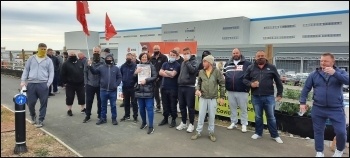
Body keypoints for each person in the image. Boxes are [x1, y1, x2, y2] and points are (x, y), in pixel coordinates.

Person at [299, 52, 349, 157]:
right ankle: (319, 152)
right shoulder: (314, 74)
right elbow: (306, 89)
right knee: (318, 131)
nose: (323, 63)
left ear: (332, 62)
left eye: (325, 61)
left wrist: (334, 73)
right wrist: (302, 103)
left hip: (336, 109)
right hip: (318, 108)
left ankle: (339, 151)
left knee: (341, 132)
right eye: (321, 60)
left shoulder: (340, 72)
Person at [242, 50, 284, 144]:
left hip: (269, 96)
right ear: (255, 57)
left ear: (266, 57)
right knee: (258, 116)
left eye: (262, 55)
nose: (260, 57)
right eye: (258, 56)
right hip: (256, 96)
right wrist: (251, 84)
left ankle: (275, 135)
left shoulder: (272, 67)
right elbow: (244, 79)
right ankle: (258, 133)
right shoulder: (251, 67)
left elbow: (278, 81)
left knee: (271, 117)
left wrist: (280, 94)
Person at [191, 55, 225, 142]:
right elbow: (198, 83)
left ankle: (211, 132)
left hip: (212, 98)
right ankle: (198, 132)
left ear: (209, 62)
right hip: (203, 98)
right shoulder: (201, 72)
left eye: (204, 61)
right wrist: (197, 89)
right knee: (201, 116)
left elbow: (222, 84)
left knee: (212, 116)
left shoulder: (217, 72)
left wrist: (222, 96)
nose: (203, 63)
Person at [20, 43, 54, 128]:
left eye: (44, 49)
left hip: (43, 84)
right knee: (30, 103)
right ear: (38, 49)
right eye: (41, 49)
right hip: (31, 83)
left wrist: (48, 84)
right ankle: (33, 115)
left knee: (43, 103)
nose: (43, 51)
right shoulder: (31, 58)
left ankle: (41, 119)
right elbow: (26, 70)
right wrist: (23, 81)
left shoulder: (48, 60)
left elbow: (51, 72)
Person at [88, 54, 122, 125]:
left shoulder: (116, 68)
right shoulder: (101, 67)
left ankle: (114, 119)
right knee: (103, 105)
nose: (109, 59)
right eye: (108, 58)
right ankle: (103, 118)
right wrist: (90, 65)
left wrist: (116, 85)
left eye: (110, 58)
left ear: (112, 59)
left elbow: (119, 77)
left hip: (113, 91)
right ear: (105, 59)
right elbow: (94, 72)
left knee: (113, 105)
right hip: (103, 90)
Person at [223, 48, 251, 133]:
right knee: (232, 108)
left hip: (242, 90)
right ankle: (233, 122)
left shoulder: (247, 64)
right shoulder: (227, 64)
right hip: (230, 90)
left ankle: (244, 124)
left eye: (237, 53)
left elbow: (251, 76)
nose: (235, 54)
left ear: (240, 53)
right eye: (234, 53)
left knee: (243, 108)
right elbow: (224, 75)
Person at [134, 52, 158, 134]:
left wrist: (146, 80)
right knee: (141, 109)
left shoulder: (151, 66)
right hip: (139, 90)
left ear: (148, 58)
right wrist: (135, 73)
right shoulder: (137, 66)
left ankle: (151, 126)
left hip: (149, 90)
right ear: (140, 58)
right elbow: (133, 78)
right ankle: (144, 123)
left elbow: (155, 76)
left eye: (145, 57)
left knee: (149, 109)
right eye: (142, 57)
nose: (144, 58)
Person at [176, 47, 198, 133]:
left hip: (190, 87)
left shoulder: (194, 61)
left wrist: (187, 62)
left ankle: (191, 124)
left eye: (187, 53)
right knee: (182, 106)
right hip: (181, 86)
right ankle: (183, 122)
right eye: (184, 53)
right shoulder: (183, 63)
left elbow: (193, 71)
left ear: (190, 53)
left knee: (190, 107)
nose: (185, 55)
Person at [158, 50, 181, 128]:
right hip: (164, 87)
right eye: (171, 55)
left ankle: (173, 119)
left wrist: (166, 72)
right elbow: (160, 73)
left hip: (173, 88)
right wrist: (169, 73)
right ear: (169, 55)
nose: (172, 56)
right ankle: (165, 118)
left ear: (176, 56)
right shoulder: (165, 63)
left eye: (174, 55)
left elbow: (173, 74)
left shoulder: (177, 65)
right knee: (165, 105)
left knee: (172, 105)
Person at [60, 51, 86, 116]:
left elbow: (84, 72)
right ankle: (69, 110)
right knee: (70, 97)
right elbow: (62, 74)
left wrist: (84, 80)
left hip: (80, 83)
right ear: (69, 55)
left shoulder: (80, 62)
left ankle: (83, 109)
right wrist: (64, 82)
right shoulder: (65, 64)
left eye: (74, 54)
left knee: (82, 96)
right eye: (71, 55)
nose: (73, 55)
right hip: (70, 84)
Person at [83, 46, 104, 123]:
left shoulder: (103, 61)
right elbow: (85, 72)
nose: (96, 53)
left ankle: (100, 115)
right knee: (89, 101)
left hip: (100, 85)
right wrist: (86, 82)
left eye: (98, 52)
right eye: (95, 51)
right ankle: (87, 115)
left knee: (100, 101)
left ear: (100, 52)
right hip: (90, 84)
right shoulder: (88, 61)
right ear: (92, 52)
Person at [120, 53, 138, 123]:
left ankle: (135, 116)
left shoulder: (135, 66)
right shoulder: (122, 66)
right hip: (125, 87)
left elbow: (137, 77)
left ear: (132, 58)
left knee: (134, 102)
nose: (128, 58)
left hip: (133, 87)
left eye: (130, 57)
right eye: (127, 57)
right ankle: (127, 116)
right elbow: (120, 75)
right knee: (126, 102)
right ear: (125, 58)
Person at [150, 45, 168, 113]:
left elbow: (165, 67)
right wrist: (154, 77)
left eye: (157, 49)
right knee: (155, 93)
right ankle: (158, 107)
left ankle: (165, 108)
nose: (156, 50)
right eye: (154, 49)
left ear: (159, 49)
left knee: (163, 93)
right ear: (153, 50)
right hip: (154, 79)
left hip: (162, 78)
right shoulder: (151, 58)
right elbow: (150, 68)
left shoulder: (164, 57)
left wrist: (159, 77)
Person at [197, 50, 213, 123]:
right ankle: (204, 116)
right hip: (202, 85)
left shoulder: (213, 65)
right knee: (202, 103)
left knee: (209, 104)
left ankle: (210, 117)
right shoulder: (201, 64)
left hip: (210, 87)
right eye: (204, 56)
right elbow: (197, 73)